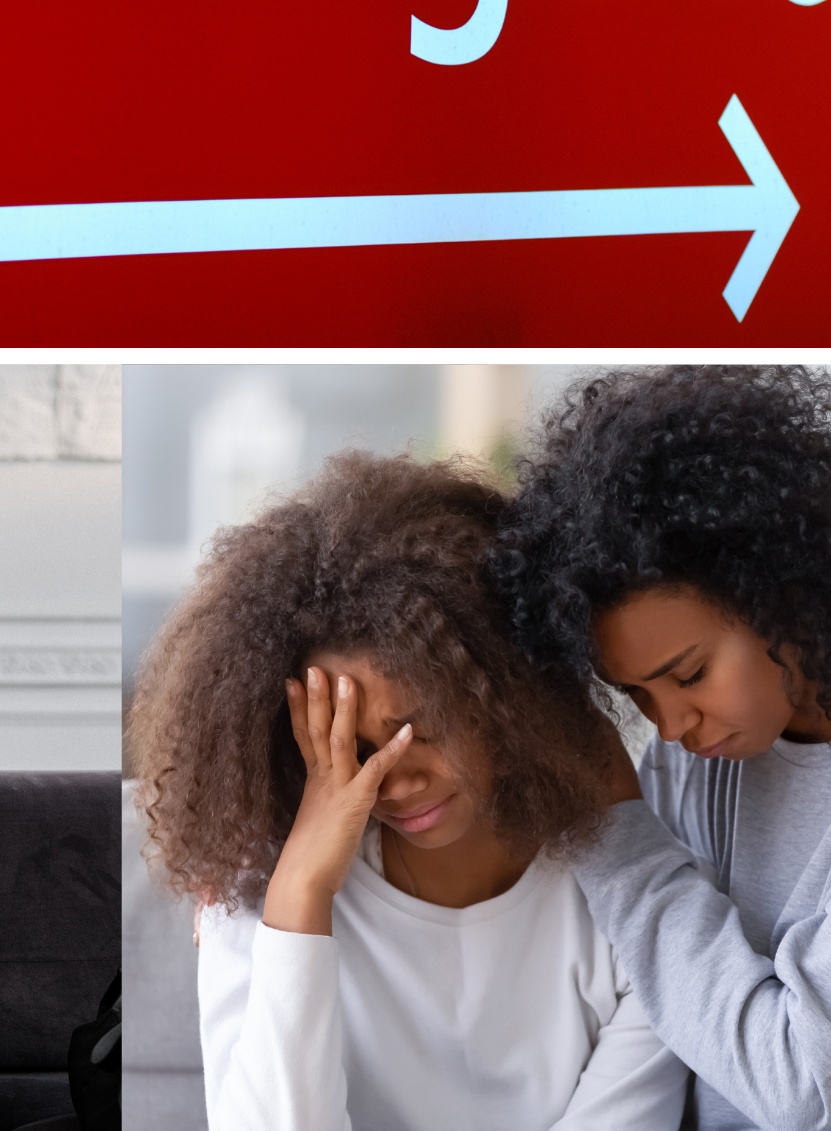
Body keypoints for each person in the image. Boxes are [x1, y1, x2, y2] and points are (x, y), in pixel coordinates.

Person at [492, 365, 831, 1131]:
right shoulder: (702, 747)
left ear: (782, 593)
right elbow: (653, 997)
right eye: (636, 694)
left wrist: (617, 829)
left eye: (689, 674)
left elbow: (796, 1082)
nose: (669, 727)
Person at [127, 450, 686, 1131]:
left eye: (422, 730)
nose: (396, 780)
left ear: (505, 696)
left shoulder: (624, 902)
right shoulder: (262, 896)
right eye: (352, 753)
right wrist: (299, 898)